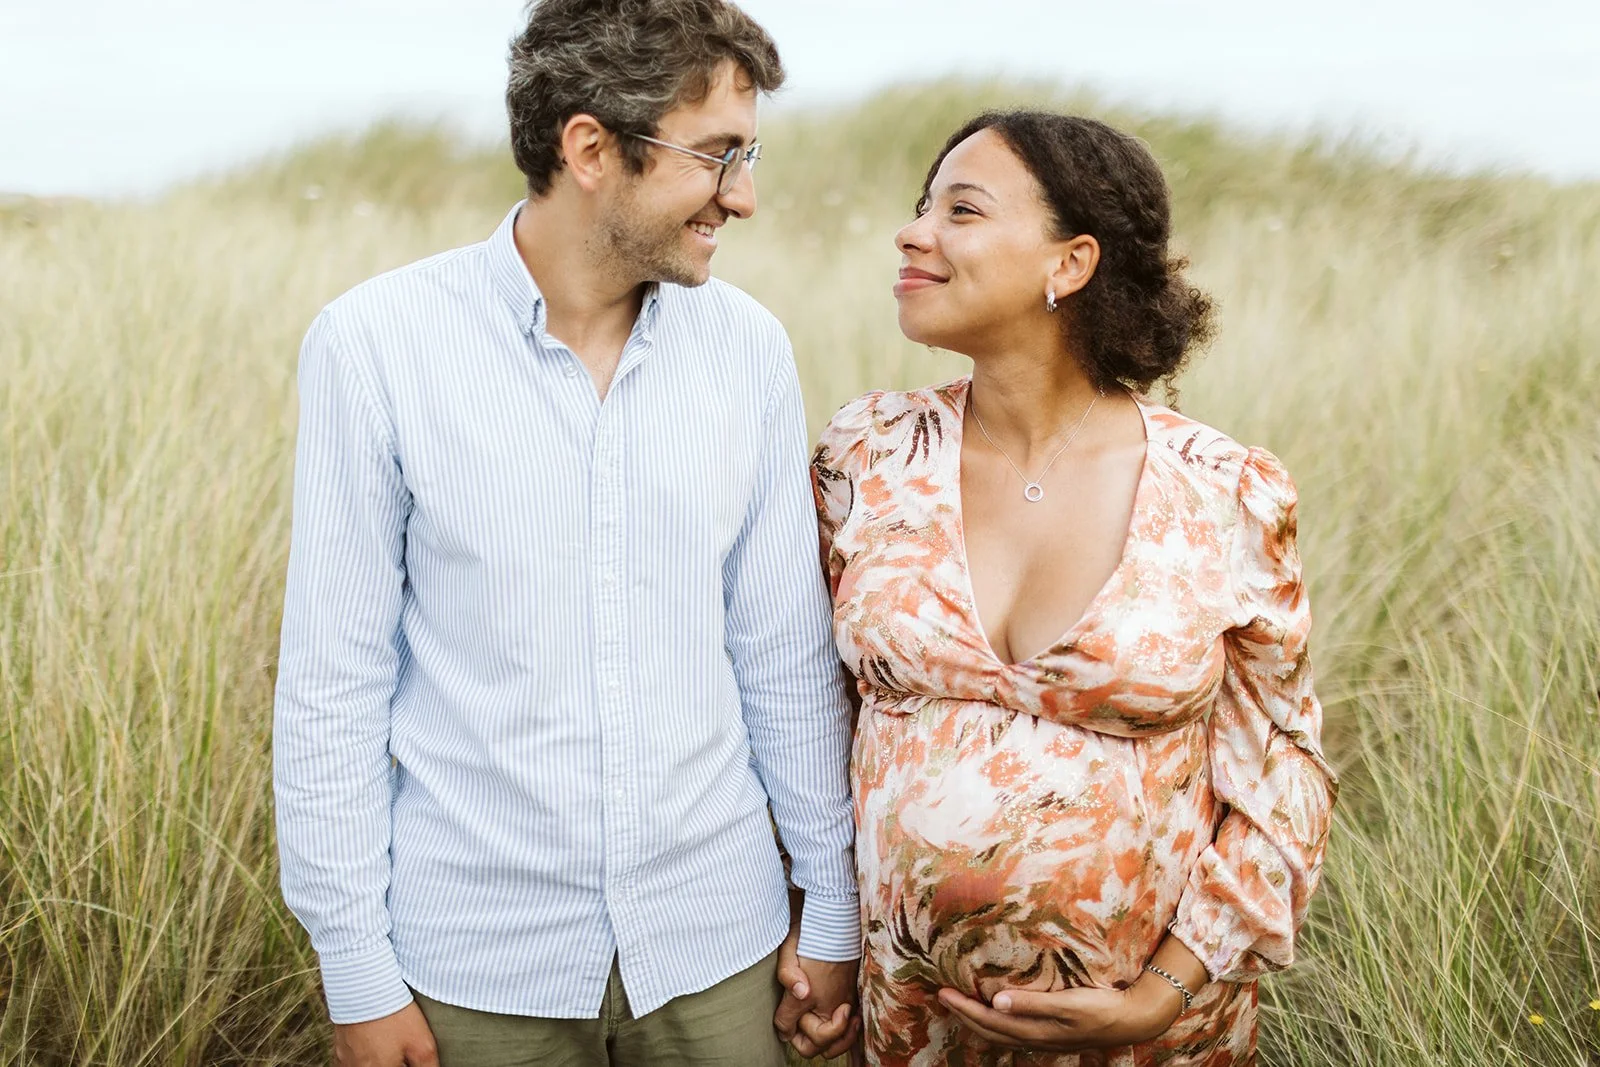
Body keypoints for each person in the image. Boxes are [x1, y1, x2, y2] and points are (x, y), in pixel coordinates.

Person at [272, 2, 861, 1064]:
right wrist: (353, 964)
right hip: (470, 967)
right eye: (718, 154)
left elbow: (780, 649)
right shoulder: (373, 346)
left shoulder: (750, 351)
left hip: (720, 949)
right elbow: (334, 679)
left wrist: (830, 902)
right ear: (590, 148)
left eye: (751, 153)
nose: (746, 196)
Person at [811, 111, 1338, 1065]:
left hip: (1154, 1034)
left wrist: (1163, 992)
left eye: (961, 210)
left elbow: (1283, 770)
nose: (913, 231)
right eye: (921, 206)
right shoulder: (869, 454)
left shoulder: (1225, 490)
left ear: (1072, 263)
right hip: (911, 1026)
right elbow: (808, 713)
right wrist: (821, 940)